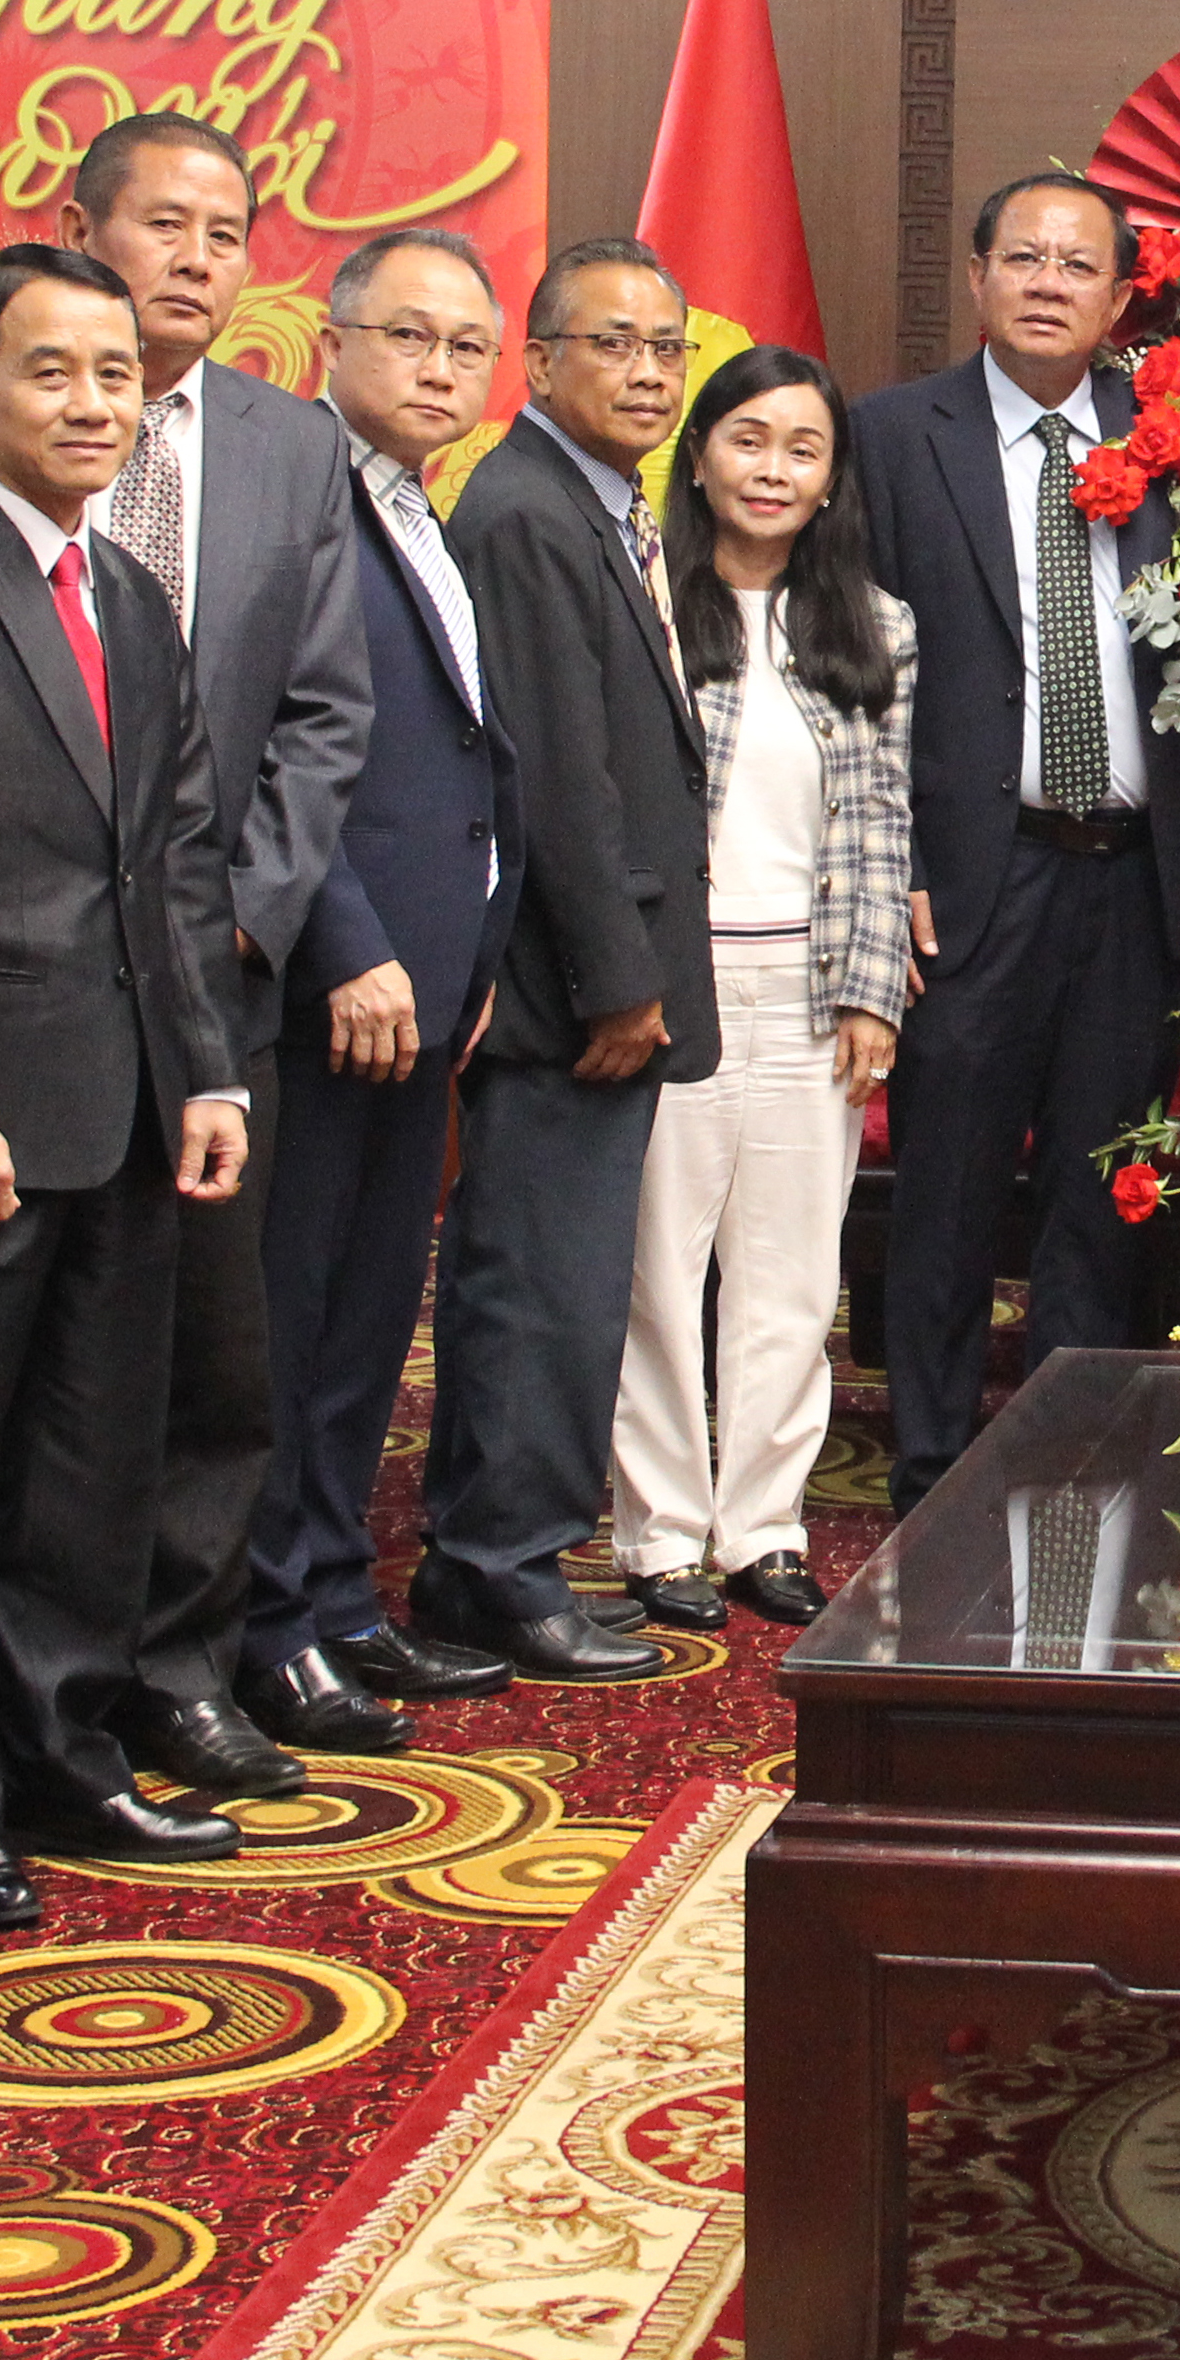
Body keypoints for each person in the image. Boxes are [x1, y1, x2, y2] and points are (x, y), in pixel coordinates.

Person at [0, 245, 252, 1896]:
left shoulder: (126, 593)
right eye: (49, 372)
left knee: (96, 1461)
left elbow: (177, 854)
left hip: (138, 1095)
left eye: (116, 376)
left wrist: (205, 1067)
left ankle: (63, 1752)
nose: (93, 403)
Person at [851, 174, 1180, 1514]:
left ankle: (1081, 1455)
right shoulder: (888, 440)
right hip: (968, 881)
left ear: (1118, 296)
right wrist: (883, 864)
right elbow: (844, 666)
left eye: (1075, 264)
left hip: (1136, 881)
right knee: (949, 1193)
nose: (1046, 281)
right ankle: (935, 1472)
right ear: (975, 277)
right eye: (1020, 256)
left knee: (1109, 1185)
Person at [41, 115, 371, 1805]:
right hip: (33, 963)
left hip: (221, 959)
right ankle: (42, 1695)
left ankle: (181, 1667)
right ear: (78, 225)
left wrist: (243, 909)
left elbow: (325, 710)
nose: (192, 255)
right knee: (58, 1360)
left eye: (224, 230)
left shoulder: (284, 443)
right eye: (157, 221)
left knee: (220, 1352)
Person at [240, 228, 526, 1749]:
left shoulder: (428, 511)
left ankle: (342, 1595)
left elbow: (473, 761)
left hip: (432, 992)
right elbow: (281, 756)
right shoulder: (294, 506)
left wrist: (473, 953)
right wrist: (348, 942)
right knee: (292, 1317)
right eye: (409, 337)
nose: (437, 368)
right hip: (327, 986)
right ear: (332, 340)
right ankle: (268, 1616)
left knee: (368, 1319)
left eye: (466, 346)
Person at [426, 237, 721, 1680]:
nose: (649, 372)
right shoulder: (532, 510)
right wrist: (619, 979)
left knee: (566, 1281)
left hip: (598, 979)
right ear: (536, 364)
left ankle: (502, 1554)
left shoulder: (599, 504)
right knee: (539, 1283)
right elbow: (558, 774)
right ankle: (498, 1566)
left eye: (666, 348)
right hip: (571, 995)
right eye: (614, 344)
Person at [608, 346, 915, 1631]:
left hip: (810, 985)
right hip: (675, 985)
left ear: (832, 477)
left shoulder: (876, 626)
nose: (773, 469)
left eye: (802, 447)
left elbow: (883, 815)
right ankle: (663, 1531)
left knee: (792, 1274)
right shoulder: (642, 605)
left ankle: (764, 1527)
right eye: (747, 439)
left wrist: (872, 990)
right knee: (659, 1275)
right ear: (699, 453)